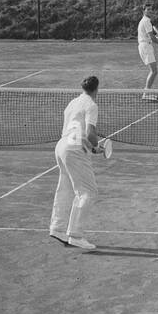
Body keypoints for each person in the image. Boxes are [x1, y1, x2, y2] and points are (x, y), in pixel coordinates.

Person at [49, 74, 104, 251]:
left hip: (61, 146)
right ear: (97, 89)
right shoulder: (91, 105)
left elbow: (75, 133)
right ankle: (75, 235)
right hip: (74, 150)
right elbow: (90, 133)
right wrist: (96, 146)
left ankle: (57, 228)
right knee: (88, 192)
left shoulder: (72, 103)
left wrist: (92, 148)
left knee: (65, 188)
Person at [137, 4, 158, 101]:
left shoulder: (145, 21)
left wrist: (156, 39)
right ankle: (145, 94)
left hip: (146, 46)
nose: (150, 11)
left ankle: (146, 93)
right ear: (143, 11)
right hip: (145, 47)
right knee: (154, 71)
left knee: (154, 71)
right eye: (148, 9)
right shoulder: (146, 21)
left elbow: (150, 36)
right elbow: (152, 37)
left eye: (151, 9)